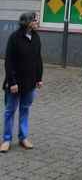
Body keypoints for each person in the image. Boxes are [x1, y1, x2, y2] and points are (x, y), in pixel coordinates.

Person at [0, 12, 43, 153]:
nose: (37, 22)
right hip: (14, 84)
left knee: (25, 110)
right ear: (27, 22)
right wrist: (12, 82)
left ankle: (23, 137)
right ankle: (6, 140)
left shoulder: (36, 38)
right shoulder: (15, 38)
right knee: (10, 111)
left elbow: (38, 60)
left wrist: (39, 78)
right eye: (35, 20)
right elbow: (9, 62)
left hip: (29, 83)